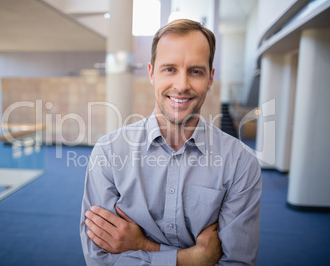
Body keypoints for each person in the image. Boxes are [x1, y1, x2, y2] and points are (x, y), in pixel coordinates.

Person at [80, 19, 262, 265]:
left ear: (210, 78)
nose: (181, 85)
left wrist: (143, 246)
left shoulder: (240, 162)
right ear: (152, 73)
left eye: (195, 71)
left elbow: (237, 262)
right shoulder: (109, 152)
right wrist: (192, 258)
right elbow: (100, 259)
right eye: (170, 69)